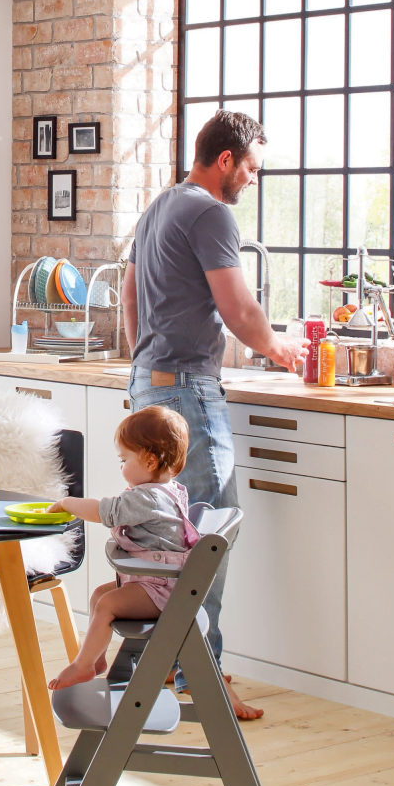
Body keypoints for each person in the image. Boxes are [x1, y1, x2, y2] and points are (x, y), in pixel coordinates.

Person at [121, 110, 310, 720]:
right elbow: (238, 309)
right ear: (225, 160)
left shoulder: (160, 206)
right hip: (188, 393)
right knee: (207, 536)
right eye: (252, 168)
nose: (252, 180)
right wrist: (281, 349)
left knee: (163, 538)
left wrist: (142, 359)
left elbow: (128, 292)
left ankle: (156, 671)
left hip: (150, 384)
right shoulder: (209, 212)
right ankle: (201, 675)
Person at [47, 406, 197, 691]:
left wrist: (67, 503)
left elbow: (107, 512)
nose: (121, 467)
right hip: (156, 581)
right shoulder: (167, 490)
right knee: (100, 595)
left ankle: (83, 665)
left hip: (161, 590)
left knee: (107, 604)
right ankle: (97, 659)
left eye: (124, 459)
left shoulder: (149, 498)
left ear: (150, 461)